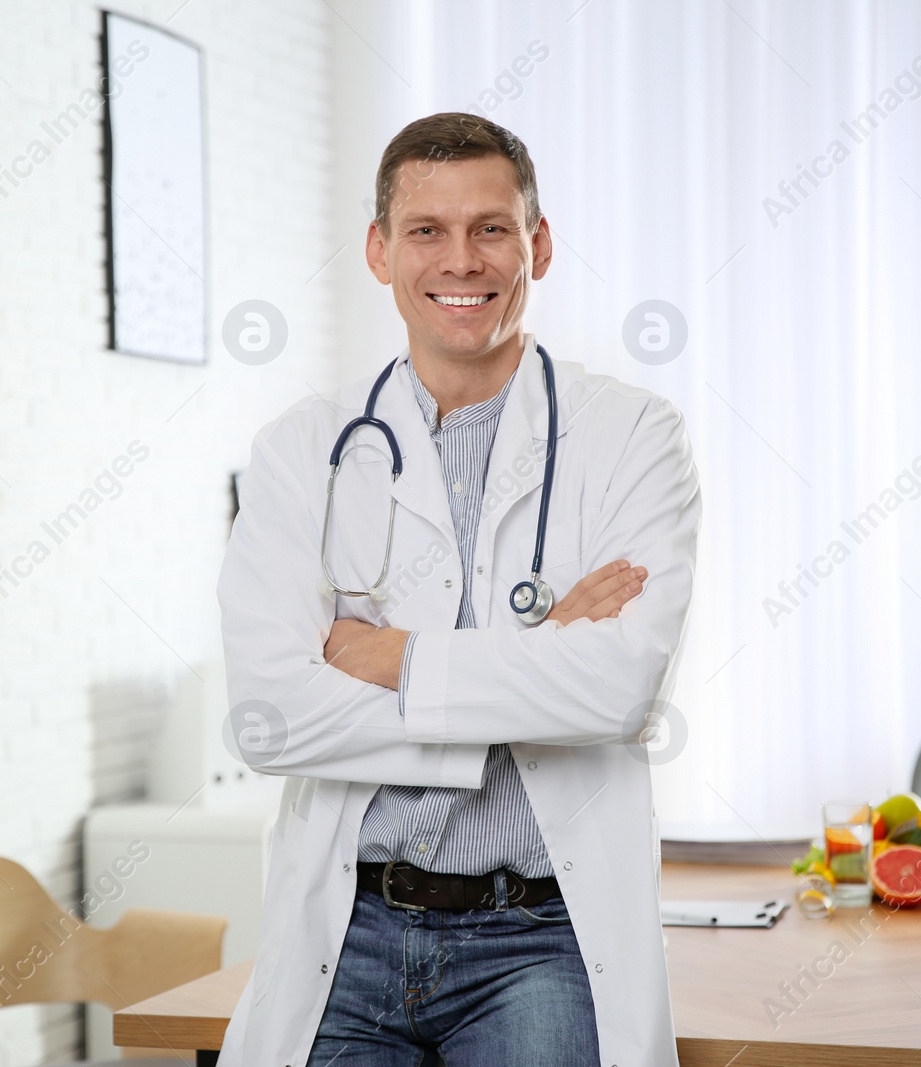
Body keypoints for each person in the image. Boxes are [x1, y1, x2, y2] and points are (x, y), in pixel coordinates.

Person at [216, 112, 700, 1067]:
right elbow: (269, 718)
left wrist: (391, 656)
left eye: (492, 227)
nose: (461, 260)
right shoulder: (304, 449)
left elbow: (617, 689)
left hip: (540, 941)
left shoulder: (633, 437)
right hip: (346, 929)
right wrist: (534, 659)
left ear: (539, 245)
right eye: (427, 230)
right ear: (380, 250)